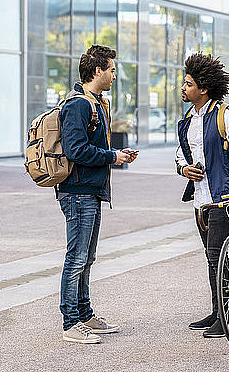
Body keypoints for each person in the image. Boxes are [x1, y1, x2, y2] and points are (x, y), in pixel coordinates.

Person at [57, 44, 138, 344]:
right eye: (112, 70)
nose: (115, 76)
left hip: (90, 191)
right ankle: (70, 323)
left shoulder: (95, 102)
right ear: (97, 71)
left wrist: (114, 155)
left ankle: (85, 315)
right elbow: (75, 150)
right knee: (76, 258)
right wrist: (111, 157)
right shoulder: (78, 104)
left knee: (87, 257)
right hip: (78, 193)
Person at [175, 53, 229, 338]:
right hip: (201, 201)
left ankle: (227, 318)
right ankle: (217, 311)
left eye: (188, 83)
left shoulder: (226, 115)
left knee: (218, 258)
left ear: (203, 88)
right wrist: (184, 169)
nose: (183, 88)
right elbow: (180, 154)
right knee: (212, 260)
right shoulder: (188, 119)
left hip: (224, 198)